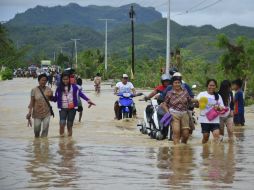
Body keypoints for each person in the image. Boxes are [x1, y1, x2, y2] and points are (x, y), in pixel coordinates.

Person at [53, 72, 95, 137]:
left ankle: (69, 141)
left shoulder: (74, 87)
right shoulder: (59, 88)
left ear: (69, 79)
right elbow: (55, 98)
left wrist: (88, 100)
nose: (65, 81)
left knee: (69, 125)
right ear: (61, 80)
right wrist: (49, 97)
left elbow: (80, 94)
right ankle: (61, 140)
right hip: (62, 108)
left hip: (72, 108)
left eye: (67, 79)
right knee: (62, 124)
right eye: (64, 79)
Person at [161, 75, 197, 145]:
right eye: (175, 83)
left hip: (184, 114)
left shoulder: (185, 91)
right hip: (174, 114)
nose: (177, 84)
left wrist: (197, 100)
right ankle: (176, 151)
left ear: (181, 83)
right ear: (172, 84)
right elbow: (164, 104)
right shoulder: (169, 93)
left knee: (186, 134)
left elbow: (190, 100)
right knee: (176, 132)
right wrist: (168, 113)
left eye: (178, 82)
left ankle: (183, 147)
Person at [197, 79, 224, 144]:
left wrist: (218, 108)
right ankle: (204, 149)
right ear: (207, 86)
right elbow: (196, 104)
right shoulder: (202, 94)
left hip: (215, 119)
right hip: (204, 119)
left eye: (213, 85)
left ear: (216, 86)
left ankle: (216, 152)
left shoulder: (218, 96)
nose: (211, 87)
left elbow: (222, 107)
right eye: (210, 85)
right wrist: (198, 103)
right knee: (206, 137)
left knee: (216, 135)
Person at [26, 74, 53, 138]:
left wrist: (51, 95)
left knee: (45, 128)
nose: (44, 81)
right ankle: (37, 142)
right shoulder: (34, 90)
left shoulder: (49, 89)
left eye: (45, 80)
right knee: (36, 129)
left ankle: (44, 143)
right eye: (42, 80)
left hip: (47, 112)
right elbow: (32, 102)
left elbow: (51, 99)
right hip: (37, 113)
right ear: (38, 81)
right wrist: (29, 112)